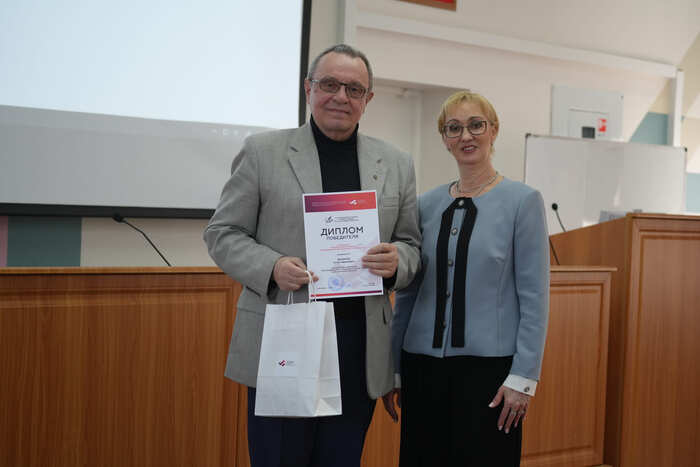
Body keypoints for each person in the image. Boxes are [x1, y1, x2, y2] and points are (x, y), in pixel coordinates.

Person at [203, 44, 421, 467]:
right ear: (309, 89)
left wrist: (398, 262)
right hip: (285, 340)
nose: (341, 96)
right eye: (329, 84)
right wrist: (271, 267)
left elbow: (411, 245)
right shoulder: (263, 152)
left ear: (367, 99)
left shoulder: (396, 163)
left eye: (354, 89)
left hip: (358, 347)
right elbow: (222, 233)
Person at [383, 90, 549, 466]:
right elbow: (408, 294)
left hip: (489, 373)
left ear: (494, 130)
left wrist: (524, 377)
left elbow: (535, 297)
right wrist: (394, 368)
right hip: (422, 367)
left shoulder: (522, 202)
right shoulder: (425, 205)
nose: (466, 136)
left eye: (476, 125)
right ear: (444, 139)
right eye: (454, 128)